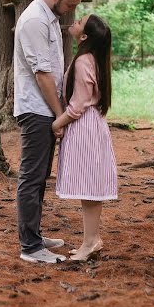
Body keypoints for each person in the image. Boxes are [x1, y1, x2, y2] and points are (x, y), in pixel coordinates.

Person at [14, 0, 84, 263]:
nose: (73, 11)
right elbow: (42, 74)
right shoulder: (34, 20)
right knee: (31, 177)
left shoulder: (50, 18)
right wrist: (60, 115)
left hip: (47, 109)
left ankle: (34, 235)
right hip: (37, 110)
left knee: (41, 176)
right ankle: (29, 248)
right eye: (70, 4)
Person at [52, 14, 118, 262]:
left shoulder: (83, 61)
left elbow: (78, 105)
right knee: (90, 187)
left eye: (80, 21)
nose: (75, 21)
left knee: (90, 188)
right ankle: (92, 238)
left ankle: (90, 242)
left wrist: (56, 124)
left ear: (84, 36)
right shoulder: (94, 59)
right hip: (93, 125)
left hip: (85, 126)